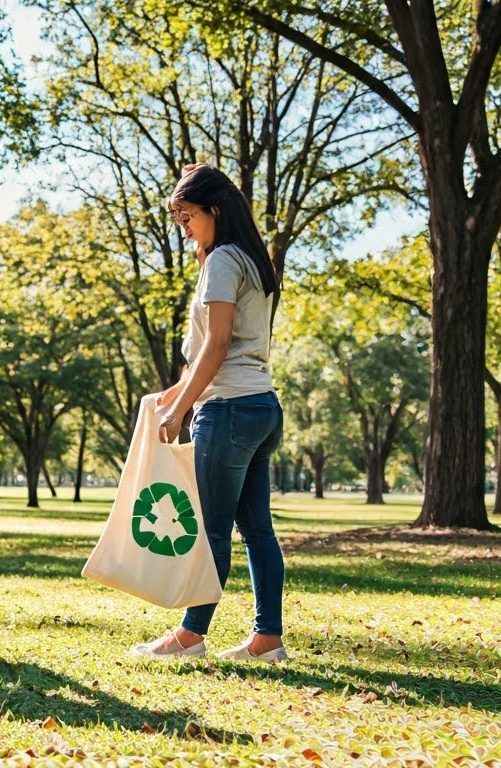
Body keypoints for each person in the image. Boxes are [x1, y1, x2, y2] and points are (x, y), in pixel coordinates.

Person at [130, 164, 286, 662]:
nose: (184, 227)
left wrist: (182, 408)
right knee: (257, 528)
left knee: (212, 528)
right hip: (261, 407)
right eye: (178, 217)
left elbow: (216, 347)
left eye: (187, 215)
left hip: (229, 412)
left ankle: (189, 636)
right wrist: (170, 397)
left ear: (214, 210)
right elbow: (219, 353)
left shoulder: (221, 261)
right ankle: (267, 639)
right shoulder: (252, 261)